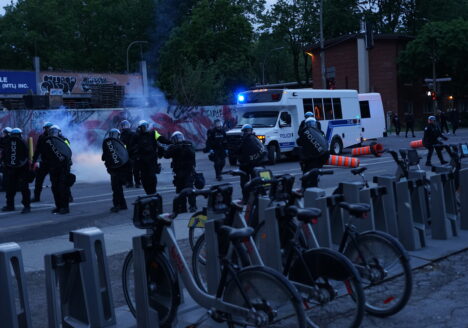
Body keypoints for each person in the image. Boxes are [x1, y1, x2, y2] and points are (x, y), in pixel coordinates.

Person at [39, 125, 73, 214]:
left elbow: (67, 152)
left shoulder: (63, 140)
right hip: (53, 167)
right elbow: (45, 154)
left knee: (63, 187)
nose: (53, 133)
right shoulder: (47, 141)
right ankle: (58, 206)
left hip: (63, 167)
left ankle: (65, 208)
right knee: (55, 188)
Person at [131, 120, 171, 195]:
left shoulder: (153, 133)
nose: (145, 128)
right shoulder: (136, 136)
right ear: (139, 128)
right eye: (143, 126)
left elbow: (161, 139)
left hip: (152, 158)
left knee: (152, 175)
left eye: (146, 126)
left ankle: (153, 191)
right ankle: (148, 192)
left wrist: (170, 142)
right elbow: (131, 147)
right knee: (144, 177)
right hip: (141, 159)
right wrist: (135, 154)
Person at [164, 131, 197, 212]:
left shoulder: (188, 144)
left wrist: (184, 147)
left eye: (179, 137)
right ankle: (183, 207)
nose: (178, 139)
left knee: (189, 188)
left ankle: (193, 206)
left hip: (188, 171)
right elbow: (166, 155)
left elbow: (192, 153)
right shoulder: (173, 147)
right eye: (176, 138)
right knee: (180, 190)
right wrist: (176, 148)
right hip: (178, 172)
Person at [2, 128, 31, 213]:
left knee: (11, 188)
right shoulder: (23, 142)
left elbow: (4, 155)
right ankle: (26, 206)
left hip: (12, 169)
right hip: (21, 169)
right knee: (23, 188)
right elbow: (27, 155)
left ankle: (11, 205)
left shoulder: (8, 142)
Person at [236, 124, 267, 201]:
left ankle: (246, 199)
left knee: (246, 183)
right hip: (254, 164)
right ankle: (261, 197)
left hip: (247, 165)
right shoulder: (254, 138)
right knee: (258, 181)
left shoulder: (245, 139)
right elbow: (263, 150)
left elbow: (238, 151)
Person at [102, 128, 129, 212]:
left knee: (116, 188)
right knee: (119, 188)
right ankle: (123, 204)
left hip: (116, 170)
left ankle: (117, 205)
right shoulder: (121, 144)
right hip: (121, 169)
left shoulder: (114, 144)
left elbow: (103, 158)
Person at [31, 122, 53, 202]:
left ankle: (68, 196)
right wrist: (34, 161)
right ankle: (36, 197)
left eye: (48, 128)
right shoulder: (42, 137)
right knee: (38, 181)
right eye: (46, 128)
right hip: (44, 162)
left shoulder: (56, 137)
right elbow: (37, 150)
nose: (47, 129)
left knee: (58, 181)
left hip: (54, 163)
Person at [119, 120, 140, 188]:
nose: (124, 127)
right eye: (123, 126)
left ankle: (136, 183)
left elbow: (138, 143)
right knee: (129, 170)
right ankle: (131, 182)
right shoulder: (121, 135)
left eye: (125, 125)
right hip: (127, 154)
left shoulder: (133, 134)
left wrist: (135, 150)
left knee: (135, 169)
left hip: (133, 153)